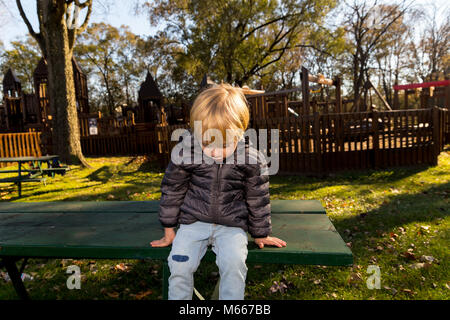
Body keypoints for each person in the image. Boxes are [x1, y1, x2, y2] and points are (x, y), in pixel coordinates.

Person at [151, 83, 286, 300]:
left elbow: (257, 197)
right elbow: (172, 189)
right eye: (206, 142)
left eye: (223, 143)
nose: (213, 150)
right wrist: (169, 228)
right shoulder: (187, 152)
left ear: (239, 132)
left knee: (234, 265)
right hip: (193, 222)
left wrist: (261, 233)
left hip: (232, 225)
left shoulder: (250, 158)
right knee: (179, 264)